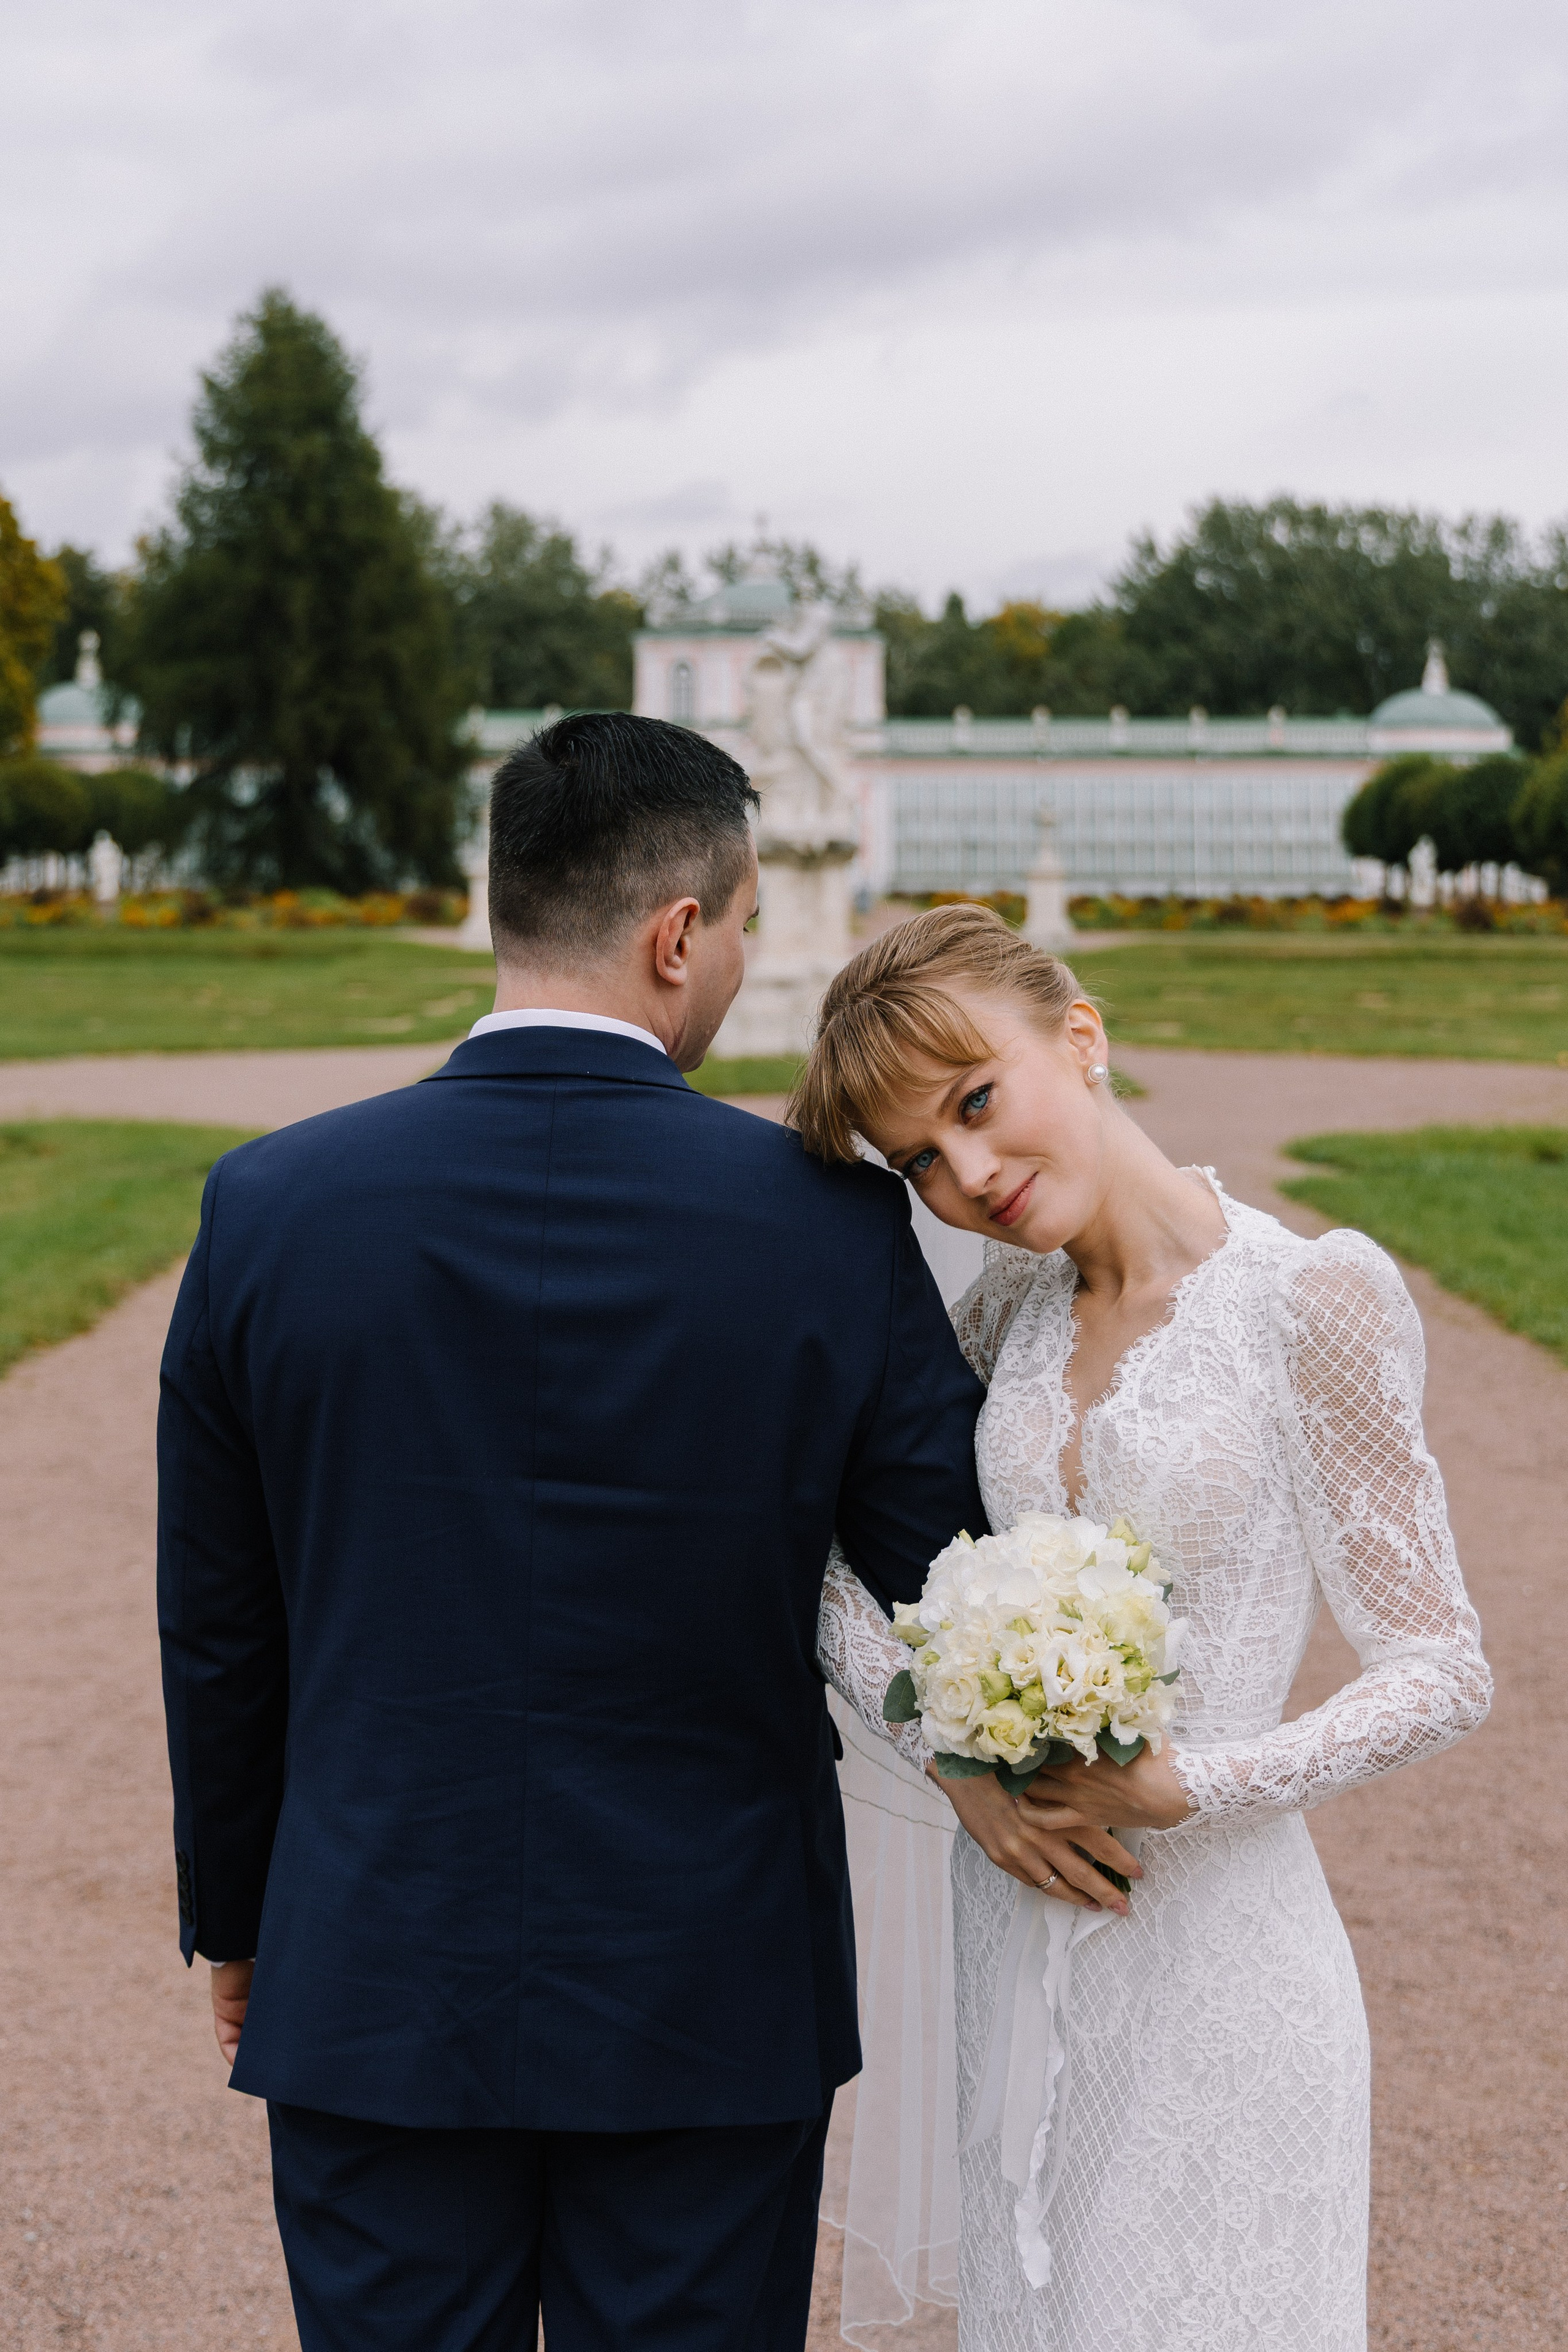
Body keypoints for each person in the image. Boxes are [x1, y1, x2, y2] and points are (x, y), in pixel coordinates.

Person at [156, 714, 992, 2352]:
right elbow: (954, 1576)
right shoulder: (826, 1225)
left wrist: (243, 1921)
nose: (747, 960)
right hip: (710, 1980)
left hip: (373, 1951)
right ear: (679, 933)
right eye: (745, 924)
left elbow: (220, 1625)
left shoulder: (267, 1209)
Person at [798, 903, 1491, 2352]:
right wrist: (955, 1764)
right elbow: (822, 1571)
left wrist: (1194, 1783)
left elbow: (1438, 1666)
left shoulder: (1309, 1299)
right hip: (1014, 1935)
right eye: (918, 1158)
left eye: (975, 1103)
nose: (966, 1174)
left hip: (1221, 1963)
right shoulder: (996, 1321)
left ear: (1081, 1033)